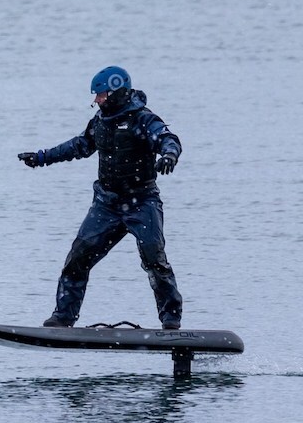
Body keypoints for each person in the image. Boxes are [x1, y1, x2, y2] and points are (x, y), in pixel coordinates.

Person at [18, 66, 185, 329]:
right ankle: (63, 318)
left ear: (118, 92)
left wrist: (169, 155)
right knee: (77, 259)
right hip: (106, 205)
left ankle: (171, 320)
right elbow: (79, 146)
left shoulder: (143, 119)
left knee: (155, 261)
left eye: (101, 95)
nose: (96, 100)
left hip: (142, 203)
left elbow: (168, 138)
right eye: (96, 96)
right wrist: (42, 157)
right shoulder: (100, 122)